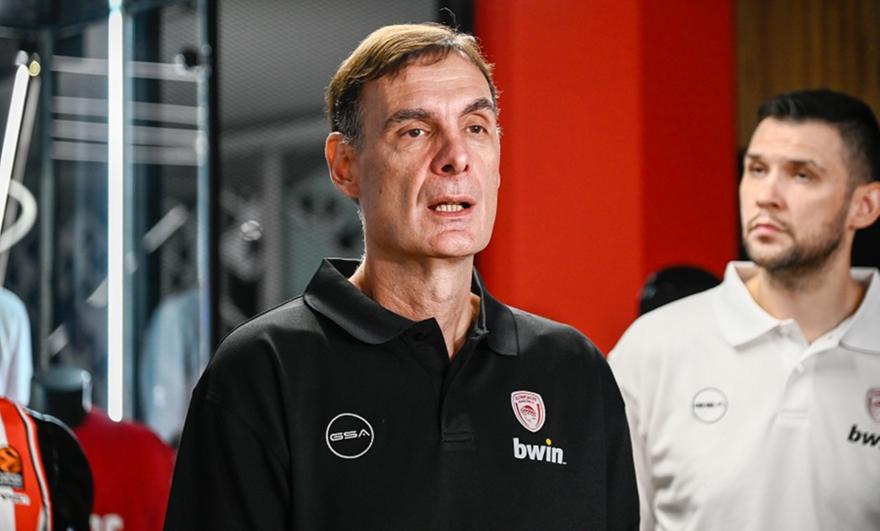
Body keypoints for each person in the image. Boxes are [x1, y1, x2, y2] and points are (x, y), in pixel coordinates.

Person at [165, 23, 638, 530]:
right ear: (345, 165)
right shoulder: (262, 370)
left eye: (476, 128)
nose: (456, 158)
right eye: (415, 131)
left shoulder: (573, 370)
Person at [609, 89, 880, 530]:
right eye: (756, 169)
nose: (766, 195)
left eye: (802, 175)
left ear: (863, 206)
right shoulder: (653, 348)